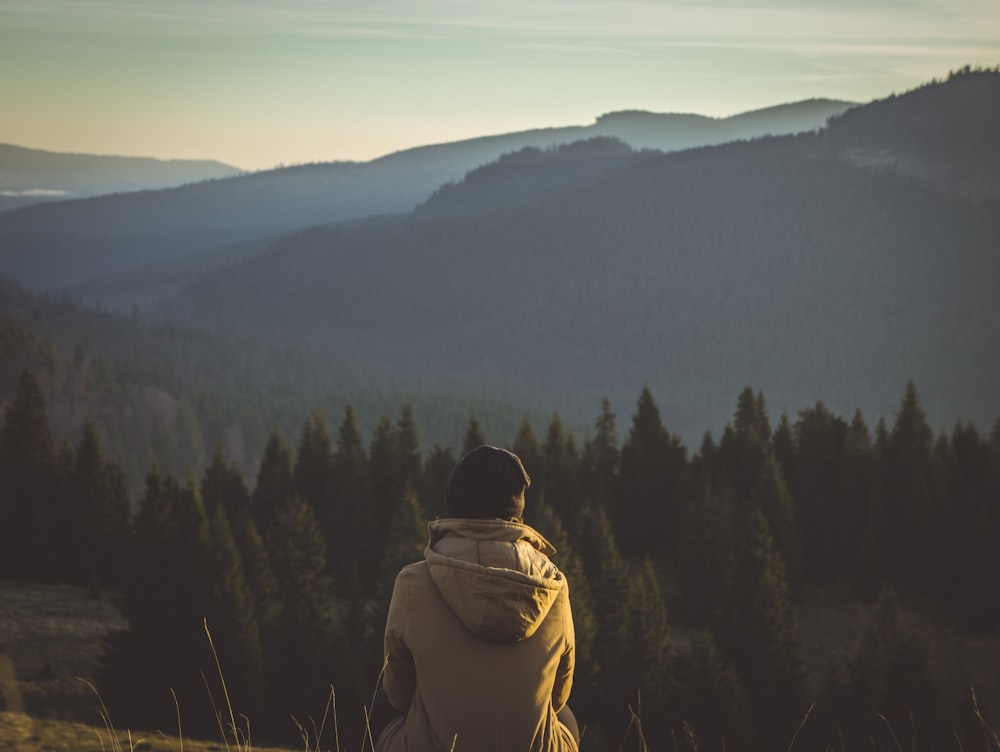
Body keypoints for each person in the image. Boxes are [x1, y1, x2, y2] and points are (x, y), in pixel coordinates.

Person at [371, 445, 579, 752]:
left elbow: (399, 694)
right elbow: (559, 696)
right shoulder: (553, 586)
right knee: (566, 719)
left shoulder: (413, 582)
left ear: (453, 502)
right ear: (517, 509)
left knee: (380, 705)